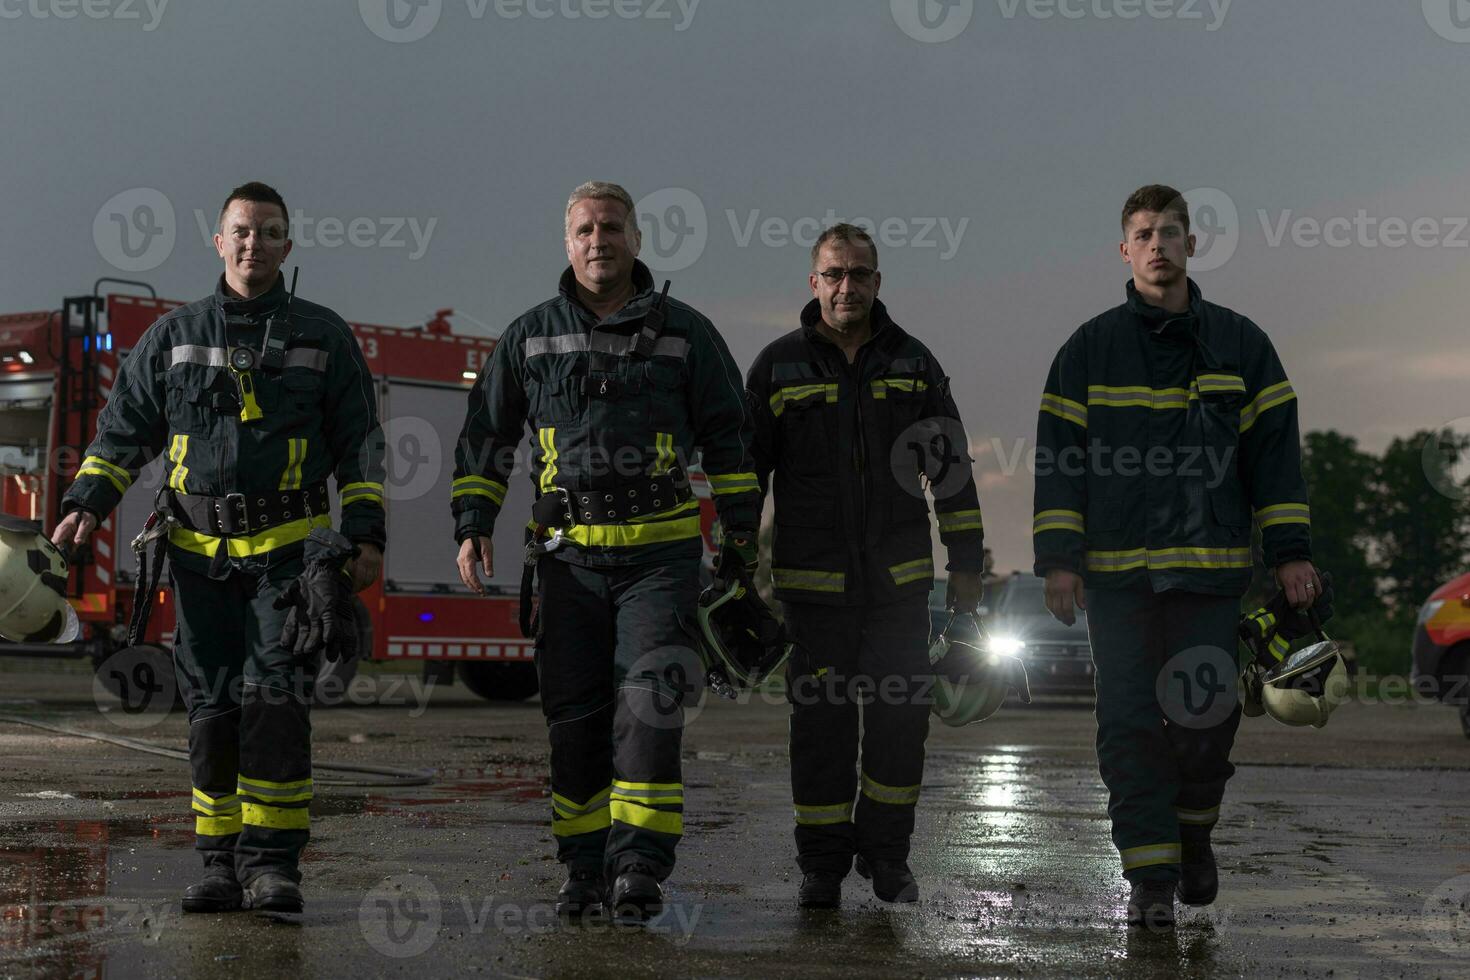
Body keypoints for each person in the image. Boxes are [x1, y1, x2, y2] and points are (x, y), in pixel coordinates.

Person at [53, 181, 385, 914]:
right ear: (218, 240)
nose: (253, 244)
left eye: (268, 233)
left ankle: (272, 866)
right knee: (211, 709)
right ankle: (218, 863)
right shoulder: (174, 338)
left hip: (290, 561)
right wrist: (85, 501)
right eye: (241, 231)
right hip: (199, 561)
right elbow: (122, 432)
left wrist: (364, 539)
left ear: (287, 246)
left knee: (274, 701)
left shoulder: (323, 338)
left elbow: (360, 448)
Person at [451, 181, 760, 921]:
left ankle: (640, 868)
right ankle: (582, 868)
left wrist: (741, 540)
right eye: (586, 229)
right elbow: (485, 436)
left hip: (661, 561)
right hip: (567, 565)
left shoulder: (687, 333)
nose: (600, 240)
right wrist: (473, 522)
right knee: (574, 716)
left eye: (613, 228)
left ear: (637, 241)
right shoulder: (530, 335)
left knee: (650, 706)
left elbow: (730, 439)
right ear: (568, 243)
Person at [1033, 184, 1321, 931]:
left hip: (1209, 577)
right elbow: (1059, 461)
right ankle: (1151, 879)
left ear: (1192, 244)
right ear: (1123, 250)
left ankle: (1194, 836)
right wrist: (1058, 559)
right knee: (1128, 725)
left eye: (1169, 232)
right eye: (1142, 234)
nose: (1157, 245)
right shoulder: (1087, 350)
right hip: (1119, 583)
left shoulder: (1241, 344)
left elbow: (1276, 462)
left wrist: (1291, 554)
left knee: (1203, 720)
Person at [745, 224, 986, 909]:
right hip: (812, 594)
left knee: (899, 725)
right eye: (834, 274)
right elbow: (743, 478)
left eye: (860, 274)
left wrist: (966, 563)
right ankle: (821, 867)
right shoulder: (776, 367)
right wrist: (732, 563)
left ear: (879, 283)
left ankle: (887, 858)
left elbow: (953, 472)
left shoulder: (913, 363)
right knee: (819, 730)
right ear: (813, 283)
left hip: (899, 590)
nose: (846, 286)